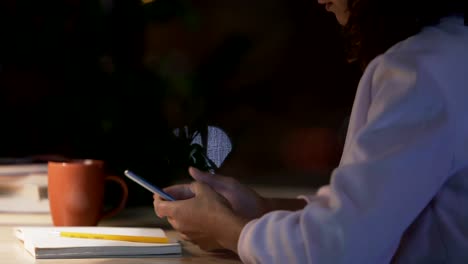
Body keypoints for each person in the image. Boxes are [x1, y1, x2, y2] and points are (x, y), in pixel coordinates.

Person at [154, 0, 468, 262]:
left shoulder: (417, 72)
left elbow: (341, 248)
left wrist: (229, 230)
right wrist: (264, 209)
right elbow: (381, 211)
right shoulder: (450, 51)